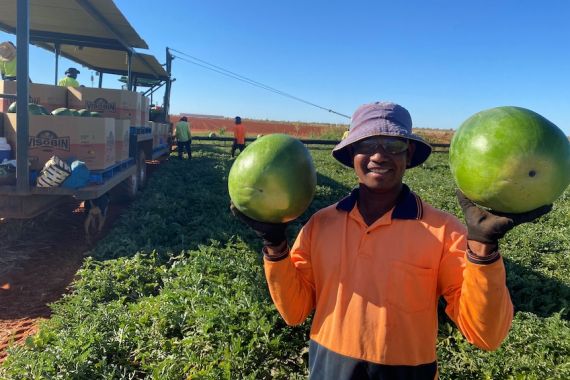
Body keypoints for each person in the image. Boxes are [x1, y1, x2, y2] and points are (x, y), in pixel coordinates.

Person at [231, 101, 551, 379]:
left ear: (408, 154)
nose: (379, 155)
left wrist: (483, 249)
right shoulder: (321, 224)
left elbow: (486, 335)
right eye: (368, 144)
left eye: (393, 144)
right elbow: (295, 311)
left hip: (408, 373)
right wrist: (275, 247)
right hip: (329, 367)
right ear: (352, 153)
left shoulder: (443, 230)